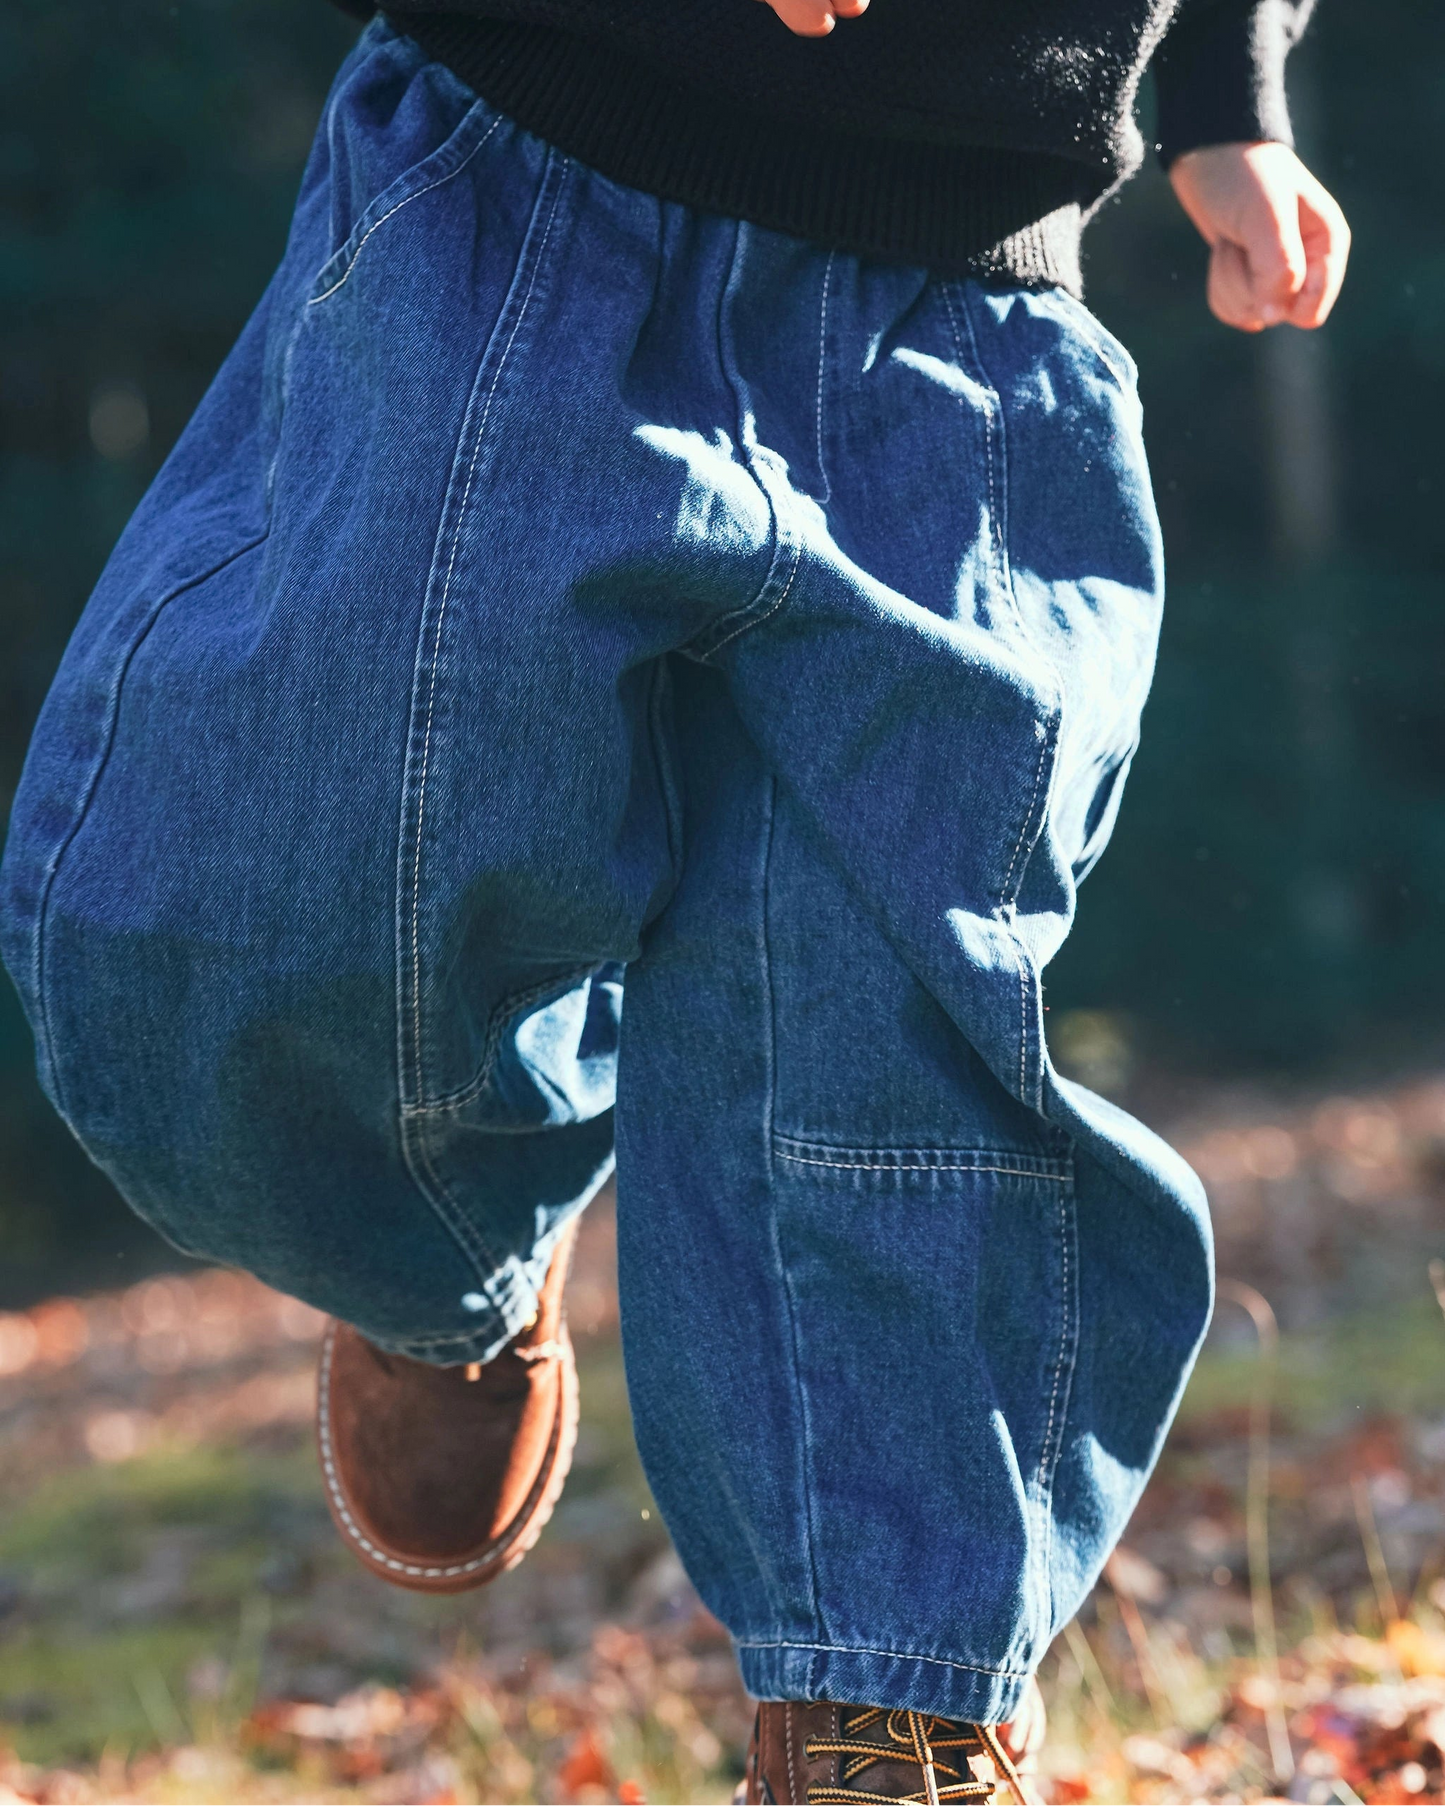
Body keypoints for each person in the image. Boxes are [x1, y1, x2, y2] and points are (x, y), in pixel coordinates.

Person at [0, 0, 1348, 1798]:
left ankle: (889, 1700)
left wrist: (1232, 84)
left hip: (968, 285)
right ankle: (435, 1234)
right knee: (273, 891)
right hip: (534, 167)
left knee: (888, 1021)